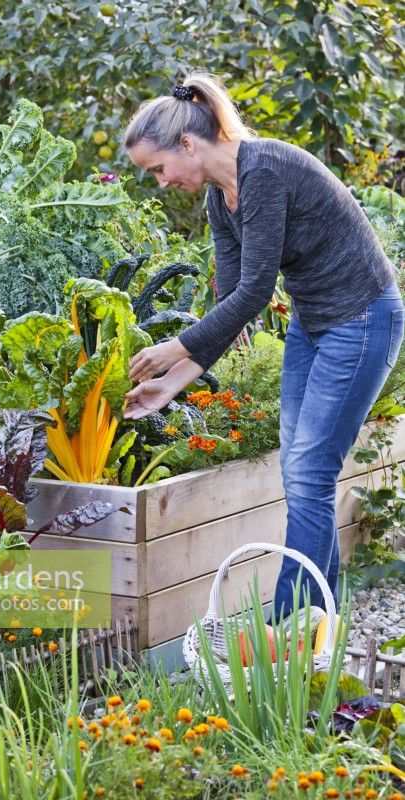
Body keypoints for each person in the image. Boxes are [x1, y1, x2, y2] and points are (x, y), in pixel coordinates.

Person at [122, 71, 404, 619]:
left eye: (157, 169)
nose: (159, 181)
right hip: (314, 323)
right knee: (301, 472)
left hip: (363, 318)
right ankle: (319, 621)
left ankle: (288, 623)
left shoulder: (265, 169)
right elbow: (235, 303)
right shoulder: (218, 201)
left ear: (187, 144)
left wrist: (176, 348)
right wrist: (172, 385)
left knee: (309, 471)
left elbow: (254, 293)